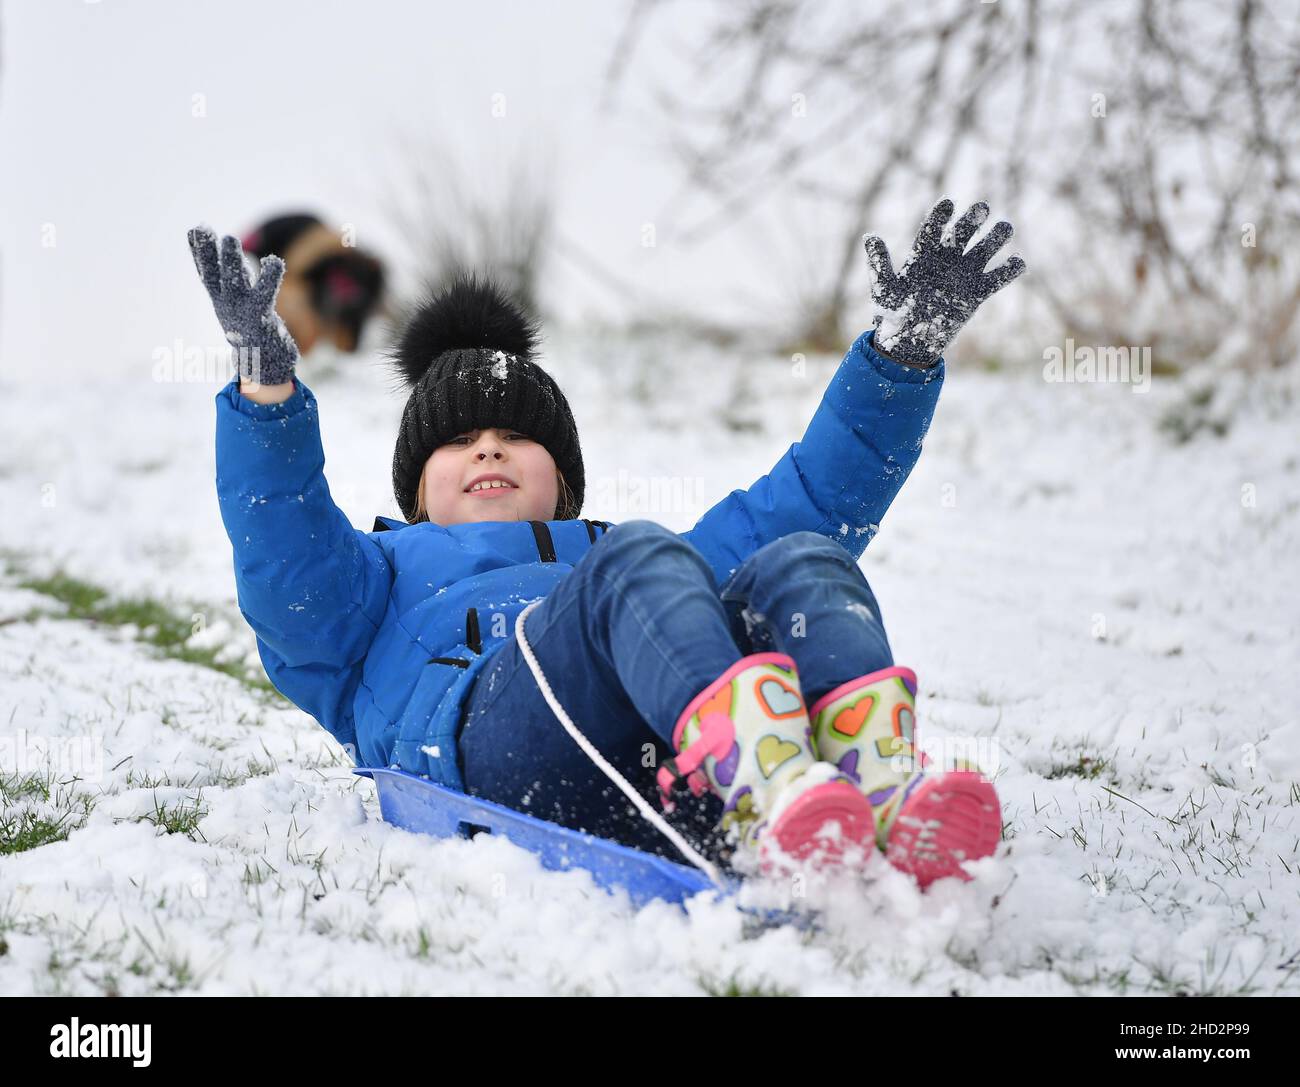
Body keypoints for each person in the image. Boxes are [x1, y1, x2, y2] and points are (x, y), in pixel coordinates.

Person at [190, 197, 1024, 885]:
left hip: (654, 717)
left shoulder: (616, 557)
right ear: (415, 493)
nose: (487, 447)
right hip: (487, 743)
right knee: (645, 561)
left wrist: (898, 361)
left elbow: (803, 504)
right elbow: (284, 547)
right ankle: (771, 781)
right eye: (456, 440)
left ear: (564, 481)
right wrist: (266, 392)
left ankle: (876, 790)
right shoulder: (375, 579)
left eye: (516, 436)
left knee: (803, 560)